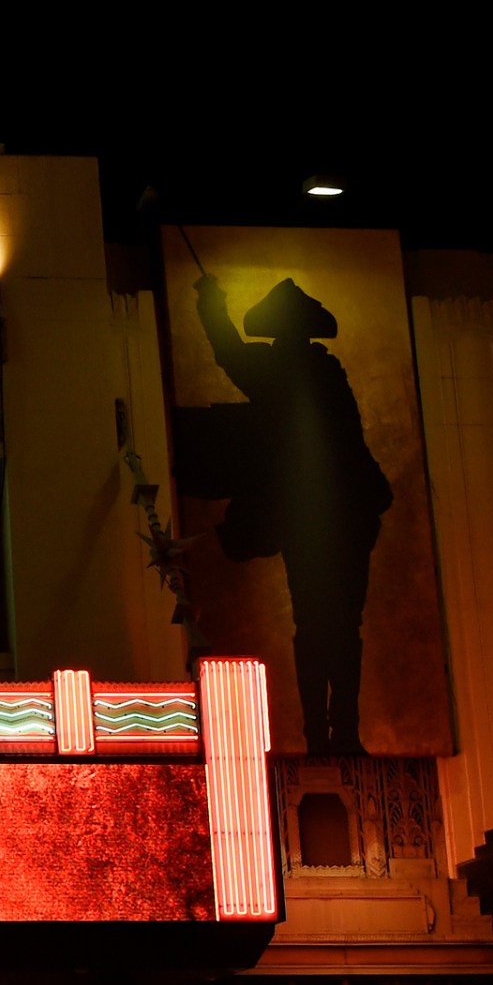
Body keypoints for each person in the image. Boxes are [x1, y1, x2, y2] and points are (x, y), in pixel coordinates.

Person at [181, 270, 394, 754]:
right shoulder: (320, 369)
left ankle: (330, 731)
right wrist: (213, 306)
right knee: (334, 624)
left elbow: (229, 351)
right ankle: (332, 732)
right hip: (341, 515)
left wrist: (212, 304)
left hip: (326, 516)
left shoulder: (287, 371)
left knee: (322, 623)